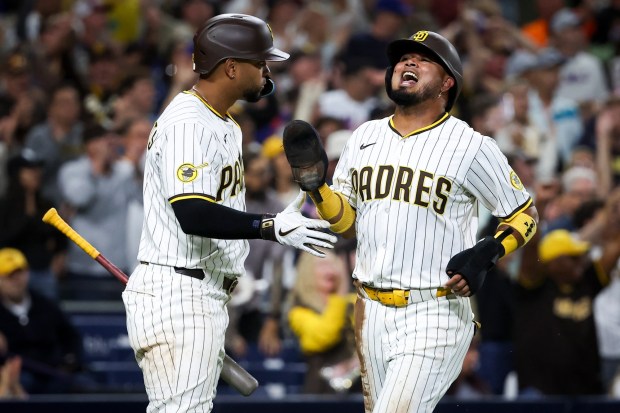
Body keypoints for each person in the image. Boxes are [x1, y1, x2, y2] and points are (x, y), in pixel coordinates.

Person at [284, 30, 539, 412]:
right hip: (369, 308)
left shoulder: (471, 145)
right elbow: (346, 223)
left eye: (423, 59)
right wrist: (317, 189)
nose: (408, 62)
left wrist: (489, 251)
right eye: (403, 58)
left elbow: (525, 215)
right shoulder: (364, 136)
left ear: (447, 82)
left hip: (434, 308)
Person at [121, 14, 336, 413]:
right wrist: (267, 227)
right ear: (231, 67)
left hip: (202, 292)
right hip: (178, 291)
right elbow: (193, 214)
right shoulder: (187, 123)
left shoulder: (223, 123)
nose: (267, 71)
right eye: (260, 62)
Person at [0, 248, 84, 394]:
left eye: (19, 273)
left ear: (27, 273)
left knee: (83, 384)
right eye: (9, 276)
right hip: (16, 377)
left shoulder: (45, 304)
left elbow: (71, 337)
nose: (16, 280)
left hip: (53, 372)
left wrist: (70, 361)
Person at [287, 251, 360, 395]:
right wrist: (341, 293)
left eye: (335, 265)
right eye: (323, 265)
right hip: (321, 394)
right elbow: (325, 335)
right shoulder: (299, 312)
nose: (332, 270)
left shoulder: (353, 301)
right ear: (307, 271)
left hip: (358, 392)